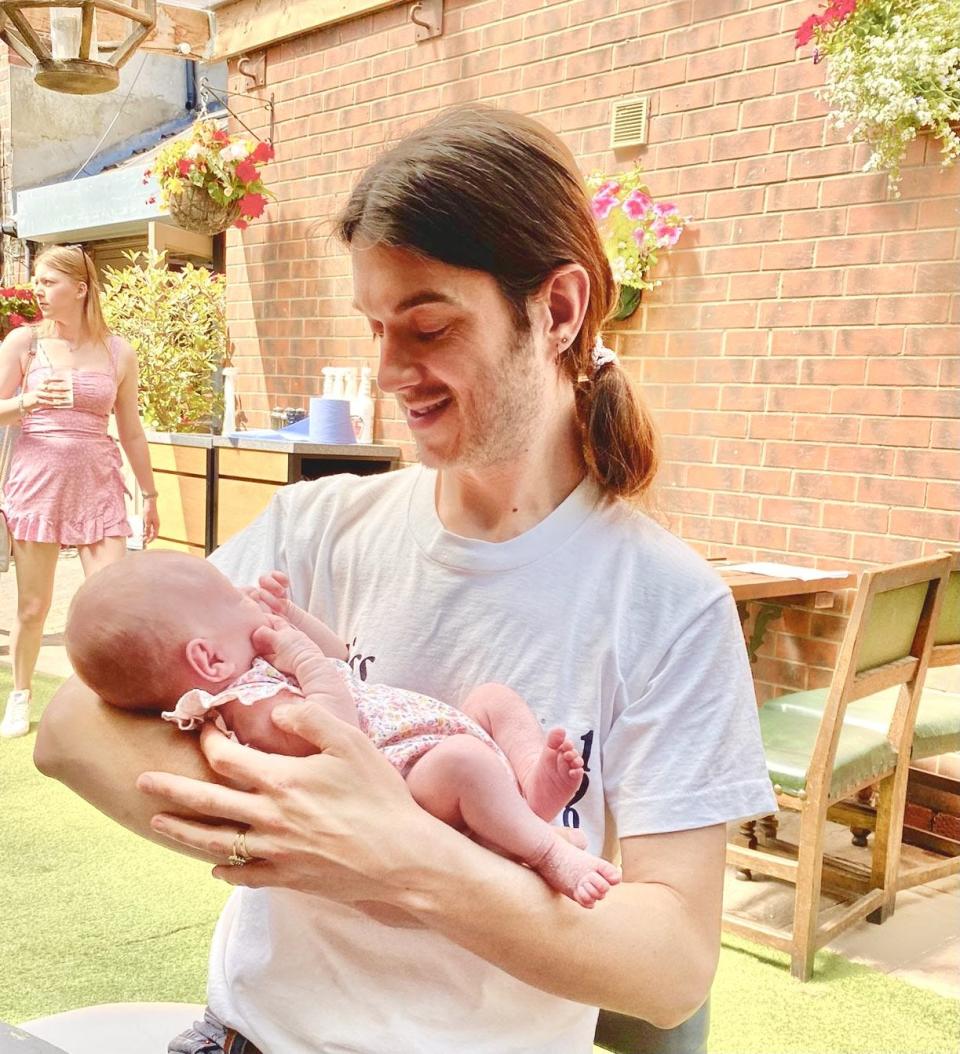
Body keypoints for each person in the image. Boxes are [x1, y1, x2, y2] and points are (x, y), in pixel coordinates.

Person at [35, 106, 777, 1054]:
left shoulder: (667, 605)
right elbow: (72, 731)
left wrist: (401, 859)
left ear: (557, 310)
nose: (388, 369)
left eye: (425, 325)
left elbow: (670, 971)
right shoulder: (319, 529)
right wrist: (306, 837)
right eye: (376, 327)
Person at [64, 549, 620, 907]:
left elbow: (340, 661)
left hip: (428, 737)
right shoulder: (250, 708)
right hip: (414, 783)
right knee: (465, 764)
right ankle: (548, 852)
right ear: (209, 661)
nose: (248, 602)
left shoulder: (260, 669)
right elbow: (340, 733)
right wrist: (300, 657)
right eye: (235, 599)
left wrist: (296, 621)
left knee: (492, 700)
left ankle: (528, 784)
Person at [0, 244, 159, 739]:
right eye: (38, 282)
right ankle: (21, 692)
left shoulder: (118, 351)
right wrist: (27, 399)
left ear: (81, 288)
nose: (38, 292)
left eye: (49, 282)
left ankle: (95, 699)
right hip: (38, 485)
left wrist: (150, 495)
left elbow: (130, 430)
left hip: (98, 484)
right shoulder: (24, 343)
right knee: (33, 606)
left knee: (106, 604)